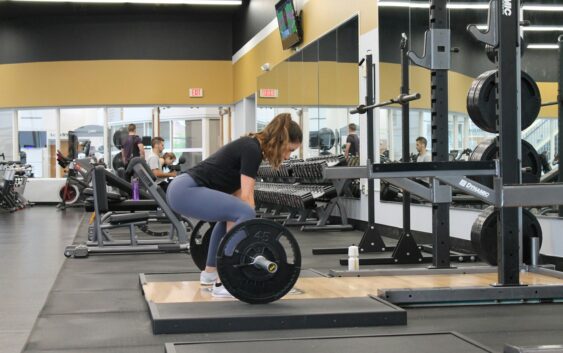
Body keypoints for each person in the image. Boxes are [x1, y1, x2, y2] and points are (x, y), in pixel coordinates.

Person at [166, 113, 302, 298]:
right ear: (279, 141)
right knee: (244, 211)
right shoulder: (252, 149)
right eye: (289, 150)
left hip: (181, 189)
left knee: (232, 215)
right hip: (185, 189)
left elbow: (238, 197)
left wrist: (246, 223)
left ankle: (210, 273)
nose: (287, 156)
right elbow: (247, 199)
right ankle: (225, 281)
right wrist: (255, 234)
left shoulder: (251, 147)